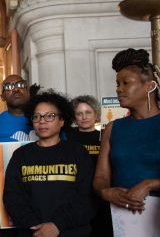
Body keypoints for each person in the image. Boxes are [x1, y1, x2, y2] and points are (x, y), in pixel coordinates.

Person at [4, 91, 94, 237]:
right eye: (37, 116)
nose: (42, 121)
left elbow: (87, 197)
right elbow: (12, 197)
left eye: (50, 116)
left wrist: (57, 225)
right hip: (33, 232)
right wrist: (36, 227)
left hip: (72, 232)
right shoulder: (21, 155)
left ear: (62, 121)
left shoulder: (78, 152)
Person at [93, 49, 160, 224]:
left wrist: (150, 184)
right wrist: (105, 192)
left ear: (149, 86)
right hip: (123, 219)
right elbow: (101, 177)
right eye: (117, 84)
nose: (118, 89)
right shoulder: (113, 128)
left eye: (125, 83)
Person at [0, 75, 36, 237]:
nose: (15, 89)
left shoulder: (45, 120)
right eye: (9, 87)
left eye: (20, 84)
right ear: (2, 96)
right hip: (3, 206)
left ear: (28, 91)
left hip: (43, 203)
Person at [67, 95, 113, 237]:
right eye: (79, 113)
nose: (84, 117)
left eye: (88, 112)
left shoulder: (105, 136)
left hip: (100, 193)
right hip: (76, 194)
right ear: (74, 117)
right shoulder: (68, 137)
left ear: (96, 115)